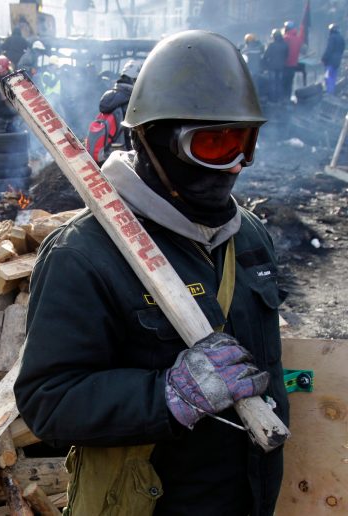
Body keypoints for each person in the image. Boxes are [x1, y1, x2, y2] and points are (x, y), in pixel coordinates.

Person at [15, 30, 288, 516]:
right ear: (152, 139)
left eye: (243, 144)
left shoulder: (248, 236)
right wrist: (165, 396)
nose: (233, 167)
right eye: (213, 144)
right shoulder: (84, 256)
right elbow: (47, 401)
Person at [96, 59, 140, 151]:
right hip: (121, 154)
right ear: (135, 79)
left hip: (104, 151)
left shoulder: (109, 95)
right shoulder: (131, 100)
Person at [263, 29, 288, 102]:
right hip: (281, 67)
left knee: (272, 83)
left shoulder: (271, 45)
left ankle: (273, 100)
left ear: (274, 37)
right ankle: (280, 99)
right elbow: (286, 55)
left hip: (272, 67)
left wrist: (266, 64)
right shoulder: (285, 45)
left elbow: (266, 56)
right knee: (279, 83)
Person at [283, 19, 306, 100]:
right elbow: (303, 50)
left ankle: (282, 100)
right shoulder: (298, 39)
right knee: (289, 83)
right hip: (293, 65)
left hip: (285, 65)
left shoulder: (285, 38)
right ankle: (287, 99)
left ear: (286, 28)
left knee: (282, 83)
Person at [322, 23, 345, 94]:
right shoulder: (341, 38)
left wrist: (324, 58)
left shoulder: (332, 37)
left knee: (328, 77)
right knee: (333, 77)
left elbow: (329, 49)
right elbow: (342, 50)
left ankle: (329, 93)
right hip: (338, 61)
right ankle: (331, 92)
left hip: (330, 61)